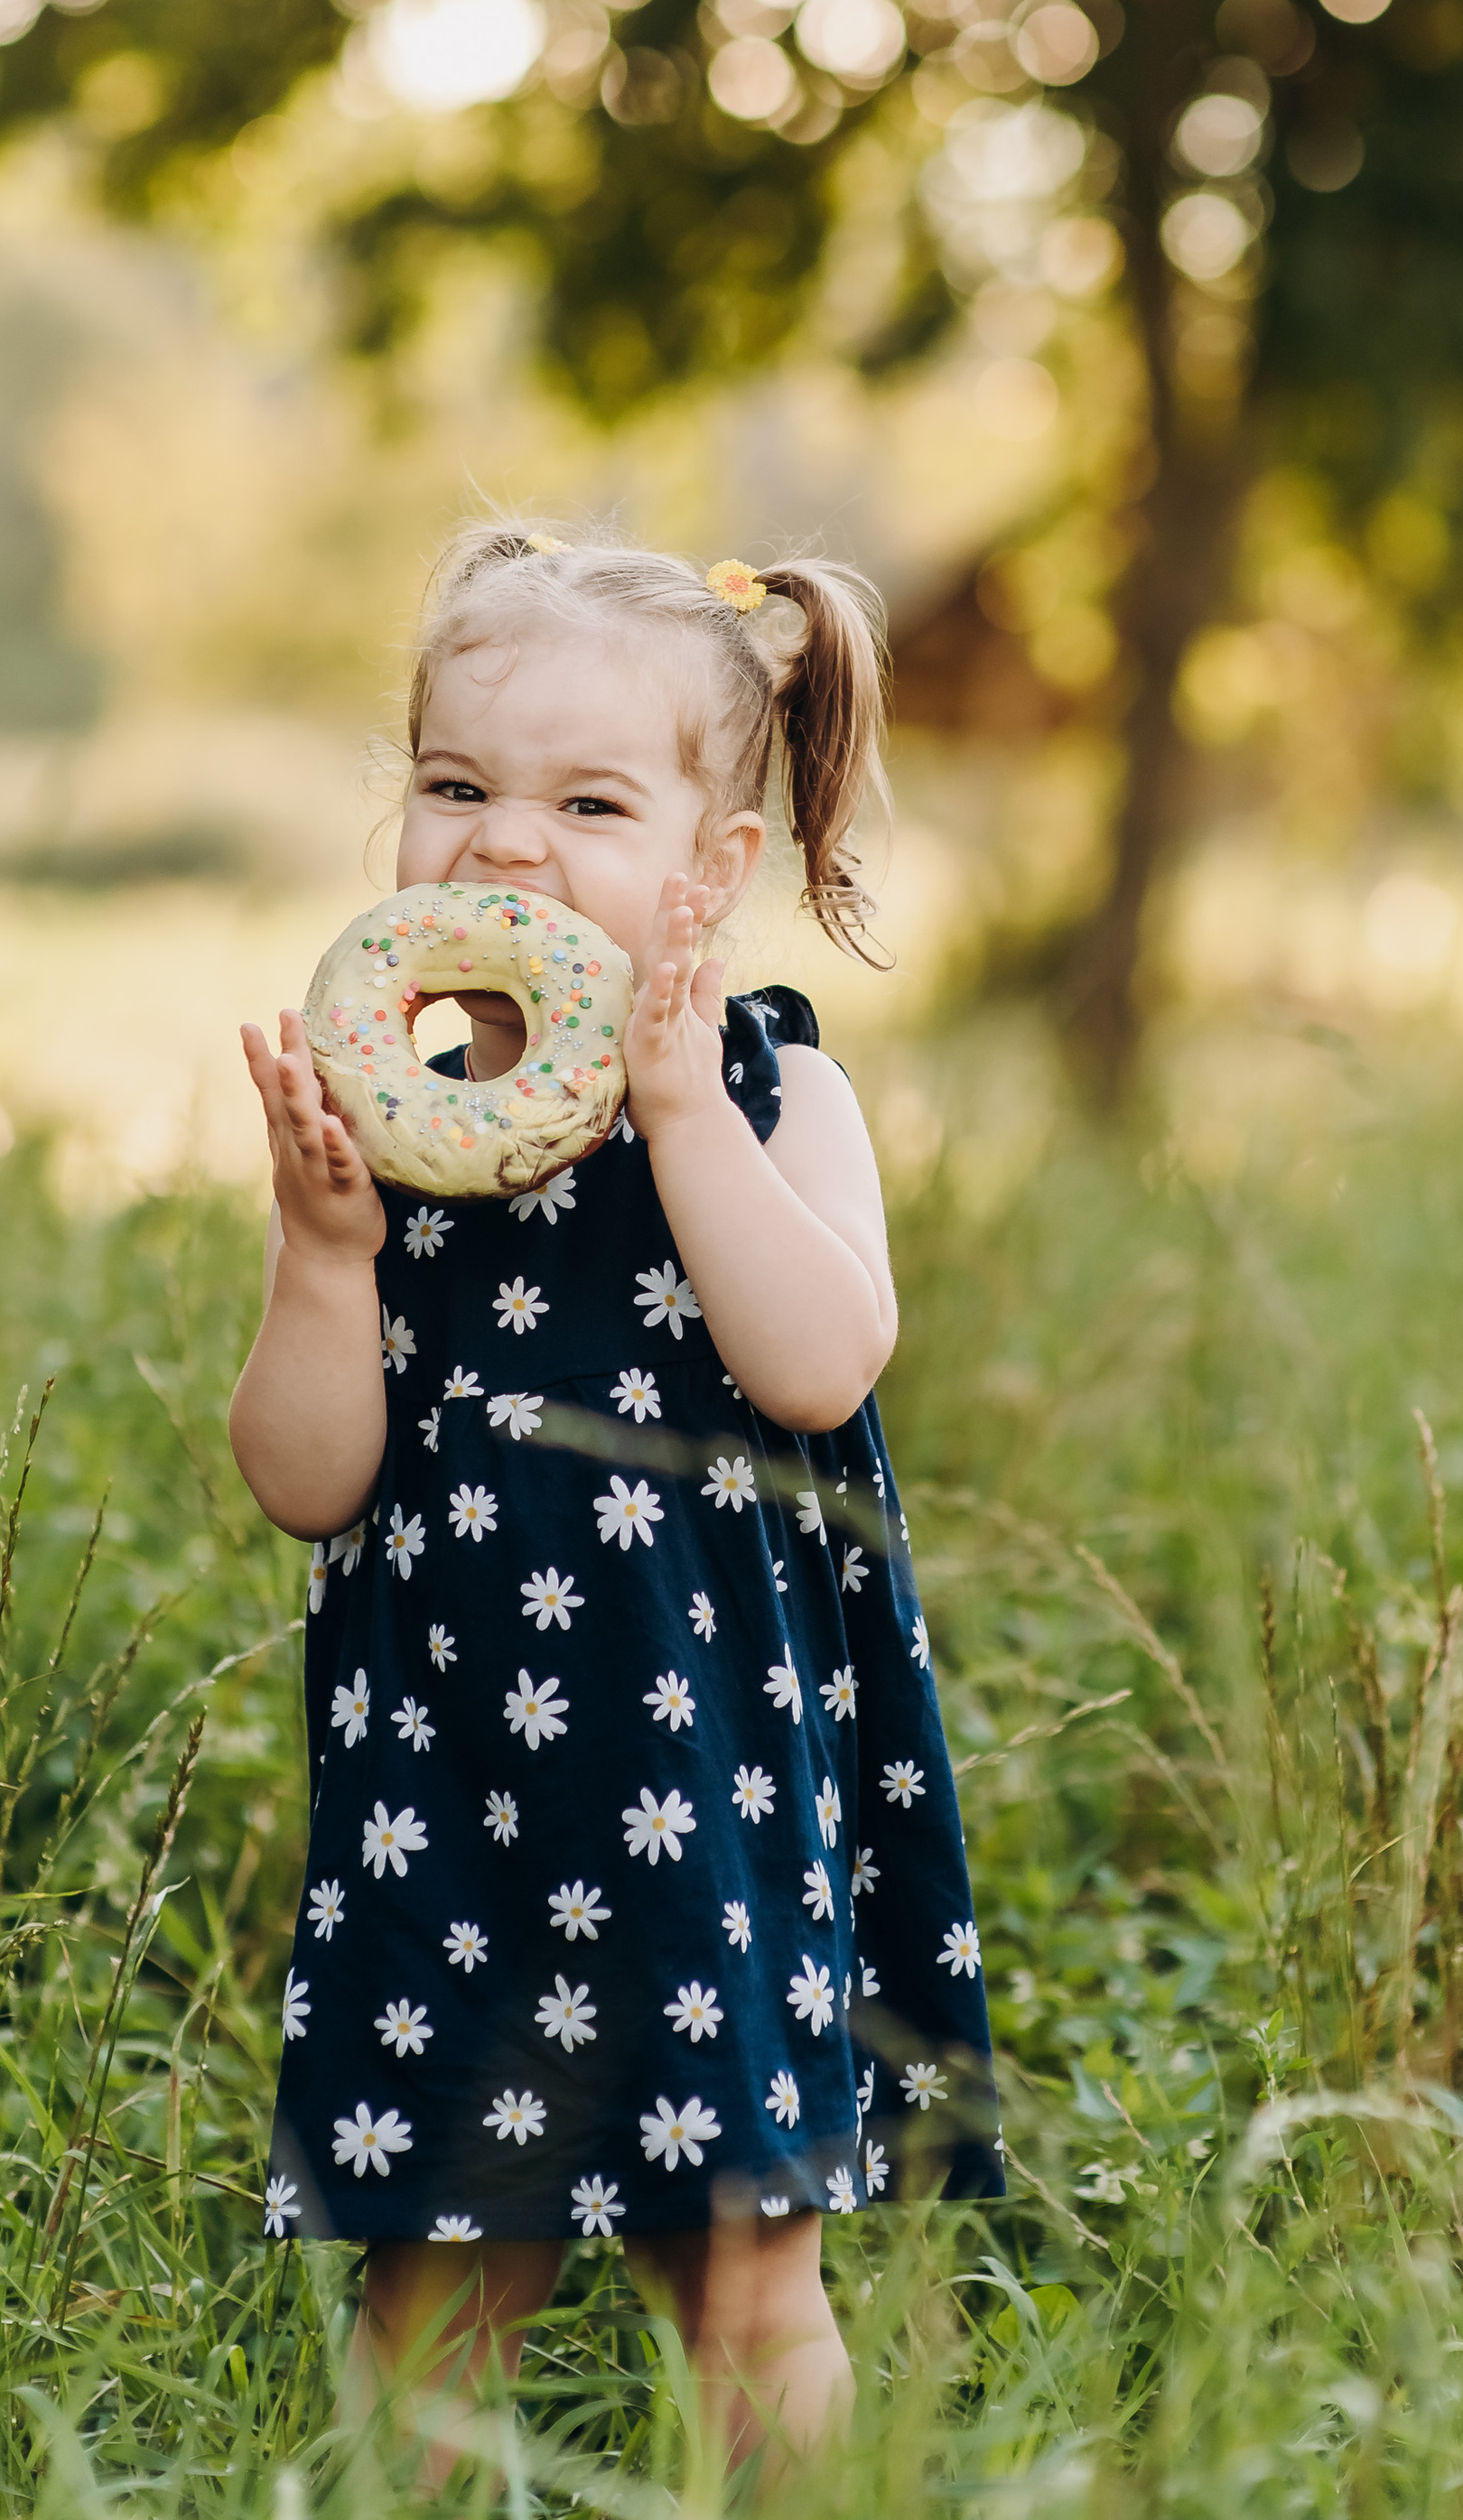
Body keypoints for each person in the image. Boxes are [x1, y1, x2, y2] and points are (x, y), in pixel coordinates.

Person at [230, 525, 998, 2476]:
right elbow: (303, 1484)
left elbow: (820, 1361)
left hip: (711, 1794)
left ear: (708, 871)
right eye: (454, 786)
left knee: (747, 2279)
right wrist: (325, 1258)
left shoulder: (770, 1096)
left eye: (586, 802)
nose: (502, 845)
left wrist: (673, 1117)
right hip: (452, 1795)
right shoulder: (396, 1133)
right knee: (434, 2284)